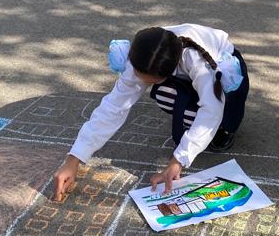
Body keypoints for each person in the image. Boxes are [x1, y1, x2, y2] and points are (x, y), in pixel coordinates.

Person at [50, 25, 250, 201]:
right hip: (178, 73)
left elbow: (212, 108)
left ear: (169, 70)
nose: (142, 83)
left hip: (223, 67)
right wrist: (74, 159)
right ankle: (194, 126)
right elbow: (113, 108)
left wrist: (178, 160)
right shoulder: (143, 56)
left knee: (220, 114)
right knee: (166, 95)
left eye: (149, 80)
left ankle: (223, 129)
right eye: (140, 77)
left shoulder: (199, 63)